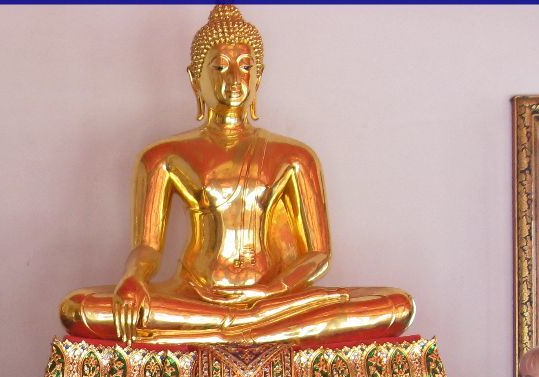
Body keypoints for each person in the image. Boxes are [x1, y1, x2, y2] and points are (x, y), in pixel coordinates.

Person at [60, 4, 414, 348]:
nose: (234, 79)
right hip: (195, 297)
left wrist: (269, 293)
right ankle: (246, 329)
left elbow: (318, 253)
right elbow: (148, 247)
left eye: (245, 67)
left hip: (277, 299)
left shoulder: (294, 156)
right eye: (220, 67)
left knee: (396, 305)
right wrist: (133, 278)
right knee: (79, 308)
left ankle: (234, 328)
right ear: (195, 80)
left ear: (258, 77)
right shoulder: (164, 156)